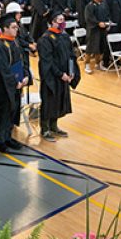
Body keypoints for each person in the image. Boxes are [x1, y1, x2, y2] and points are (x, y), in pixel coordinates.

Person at [37, 10, 79, 142]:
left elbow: (71, 55)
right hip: (51, 76)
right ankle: (45, 129)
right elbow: (47, 61)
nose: (63, 23)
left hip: (64, 75)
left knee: (59, 100)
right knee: (49, 101)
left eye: (63, 20)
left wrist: (72, 71)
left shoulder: (64, 36)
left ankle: (54, 126)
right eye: (60, 20)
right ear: (53, 22)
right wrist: (60, 74)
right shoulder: (46, 39)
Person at [0, 15, 29, 153]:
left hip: (17, 84)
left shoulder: (16, 42)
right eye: (13, 27)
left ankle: (8, 137)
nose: (16, 30)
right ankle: (0, 140)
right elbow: (3, 69)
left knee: (13, 111)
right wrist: (15, 83)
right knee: (3, 112)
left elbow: (23, 61)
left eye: (17, 27)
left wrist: (25, 76)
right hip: (5, 87)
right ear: (5, 29)